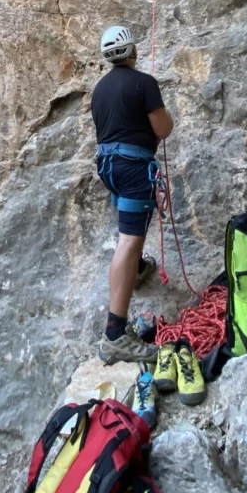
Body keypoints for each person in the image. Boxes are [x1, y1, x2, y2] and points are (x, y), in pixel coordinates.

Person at [91, 26, 175, 363]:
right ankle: (115, 334)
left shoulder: (99, 90)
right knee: (129, 238)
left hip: (108, 167)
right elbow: (163, 128)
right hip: (133, 167)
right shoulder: (144, 83)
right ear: (132, 51)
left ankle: (136, 267)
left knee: (129, 232)